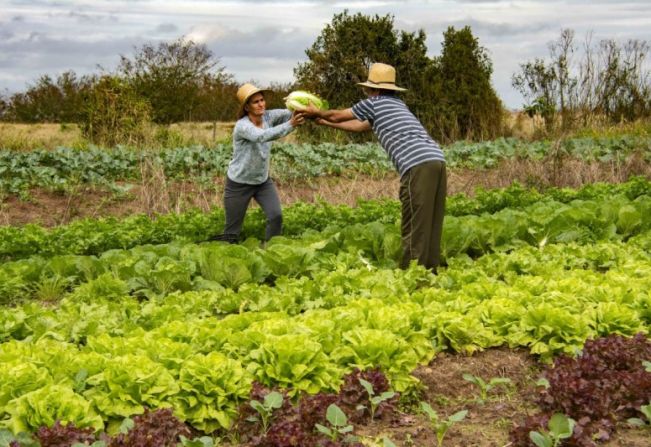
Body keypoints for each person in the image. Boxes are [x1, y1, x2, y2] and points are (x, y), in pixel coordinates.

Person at [300, 63, 446, 273]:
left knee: (414, 222)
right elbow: (359, 127)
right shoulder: (397, 105)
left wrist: (317, 113)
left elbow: (337, 115)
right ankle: (431, 271)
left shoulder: (375, 103)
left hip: (417, 165)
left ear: (374, 89)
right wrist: (325, 123)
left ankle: (413, 275)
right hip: (436, 160)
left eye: (368, 89)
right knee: (431, 220)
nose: (367, 92)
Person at [215, 83, 304, 243]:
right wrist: (291, 125)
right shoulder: (243, 126)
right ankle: (226, 259)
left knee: (276, 215)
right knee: (232, 232)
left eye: (262, 100)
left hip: (262, 182)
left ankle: (271, 250)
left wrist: (303, 106)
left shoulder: (268, 116)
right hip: (239, 184)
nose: (261, 104)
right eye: (256, 102)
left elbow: (289, 113)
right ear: (247, 107)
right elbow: (262, 136)